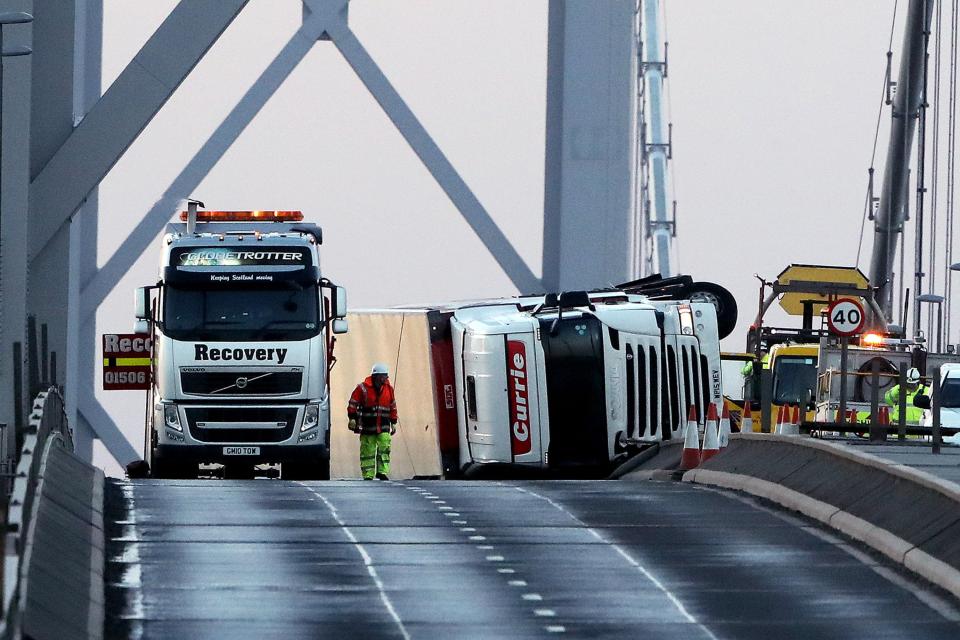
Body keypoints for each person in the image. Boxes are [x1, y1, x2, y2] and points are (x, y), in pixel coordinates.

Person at [347, 363, 398, 480]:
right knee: (367, 451)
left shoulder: (389, 389)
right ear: (378, 376)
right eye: (385, 376)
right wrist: (352, 418)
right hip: (368, 427)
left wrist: (393, 422)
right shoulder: (362, 388)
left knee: (385, 447)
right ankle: (368, 475)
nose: (386, 378)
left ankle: (382, 472)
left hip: (384, 426)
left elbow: (393, 406)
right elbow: (353, 403)